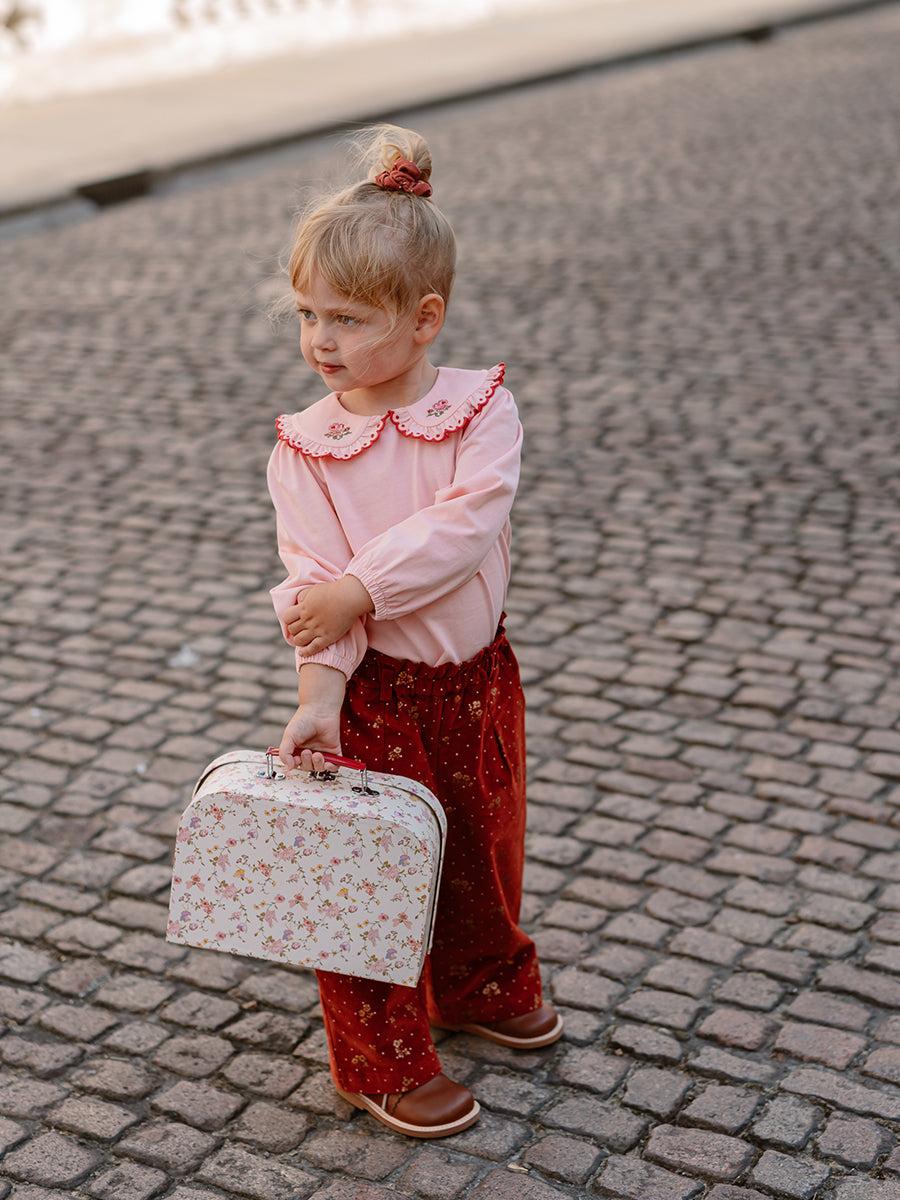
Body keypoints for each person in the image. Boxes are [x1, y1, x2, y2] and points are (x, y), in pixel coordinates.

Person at [266, 124, 562, 1139]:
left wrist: (363, 586)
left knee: (483, 839)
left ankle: (478, 981)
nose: (322, 339)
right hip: (377, 691)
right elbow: (314, 581)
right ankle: (377, 1060)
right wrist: (320, 693)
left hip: (477, 677)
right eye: (309, 314)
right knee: (371, 871)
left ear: (424, 318)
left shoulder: (480, 413)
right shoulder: (307, 448)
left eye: (348, 318)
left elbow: (465, 528)